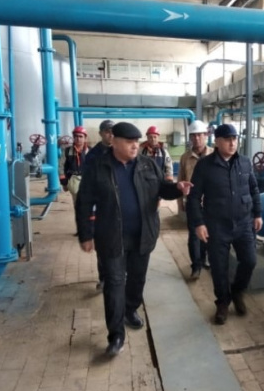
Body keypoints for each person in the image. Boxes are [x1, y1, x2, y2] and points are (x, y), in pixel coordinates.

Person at [75, 122, 192, 357]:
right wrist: (86, 235)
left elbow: (162, 189)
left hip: (142, 236)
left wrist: (178, 188)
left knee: (137, 280)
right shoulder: (98, 166)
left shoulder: (147, 164)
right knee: (114, 284)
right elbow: (84, 202)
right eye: (129, 142)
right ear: (114, 141)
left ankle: (130, 310)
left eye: (136, 142)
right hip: (111, 237)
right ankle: (116, 335)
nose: (134, 146)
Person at [186, 123, 262, 325]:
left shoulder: (244, 163)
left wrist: (258, 214)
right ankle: (222, 302)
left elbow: (254, 190)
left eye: (235, 139)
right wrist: (199, 223)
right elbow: (194, 197)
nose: (232, 143)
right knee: (219, 267)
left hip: (244, 223)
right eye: (228, 139)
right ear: (217, 142)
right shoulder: (205, 166)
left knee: (250, 260)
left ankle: (237, 291)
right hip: (216, 225)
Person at [178, 120, 214, 280]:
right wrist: (180, 203)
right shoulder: (185, 158)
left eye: (200, 135)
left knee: (209, 233)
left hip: (212, 203)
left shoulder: (214, 155)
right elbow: (180, 180)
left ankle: (204, 259)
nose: (197, 138)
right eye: (193, 135)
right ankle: (196, 266)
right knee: (193, 235)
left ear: (206, 135)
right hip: (193, 203)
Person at [84, 119, 115, 291]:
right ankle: (103, 278)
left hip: (118, 205)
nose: (111, 135)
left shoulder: (119, 150)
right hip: (101, 206)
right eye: (107, 132)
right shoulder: (93, 155)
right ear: (101, 133)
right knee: (102, 245)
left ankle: (118, 276)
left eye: (113, 132)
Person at [59, 126, 90, 206]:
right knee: (78, 202)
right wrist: (64, 181)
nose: (78, 139)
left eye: (81, 136)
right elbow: (61, 166)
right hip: (73, 180)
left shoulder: (91, 151)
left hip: (87, 180)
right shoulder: (67, 151)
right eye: (76, 136)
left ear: (85, 138)